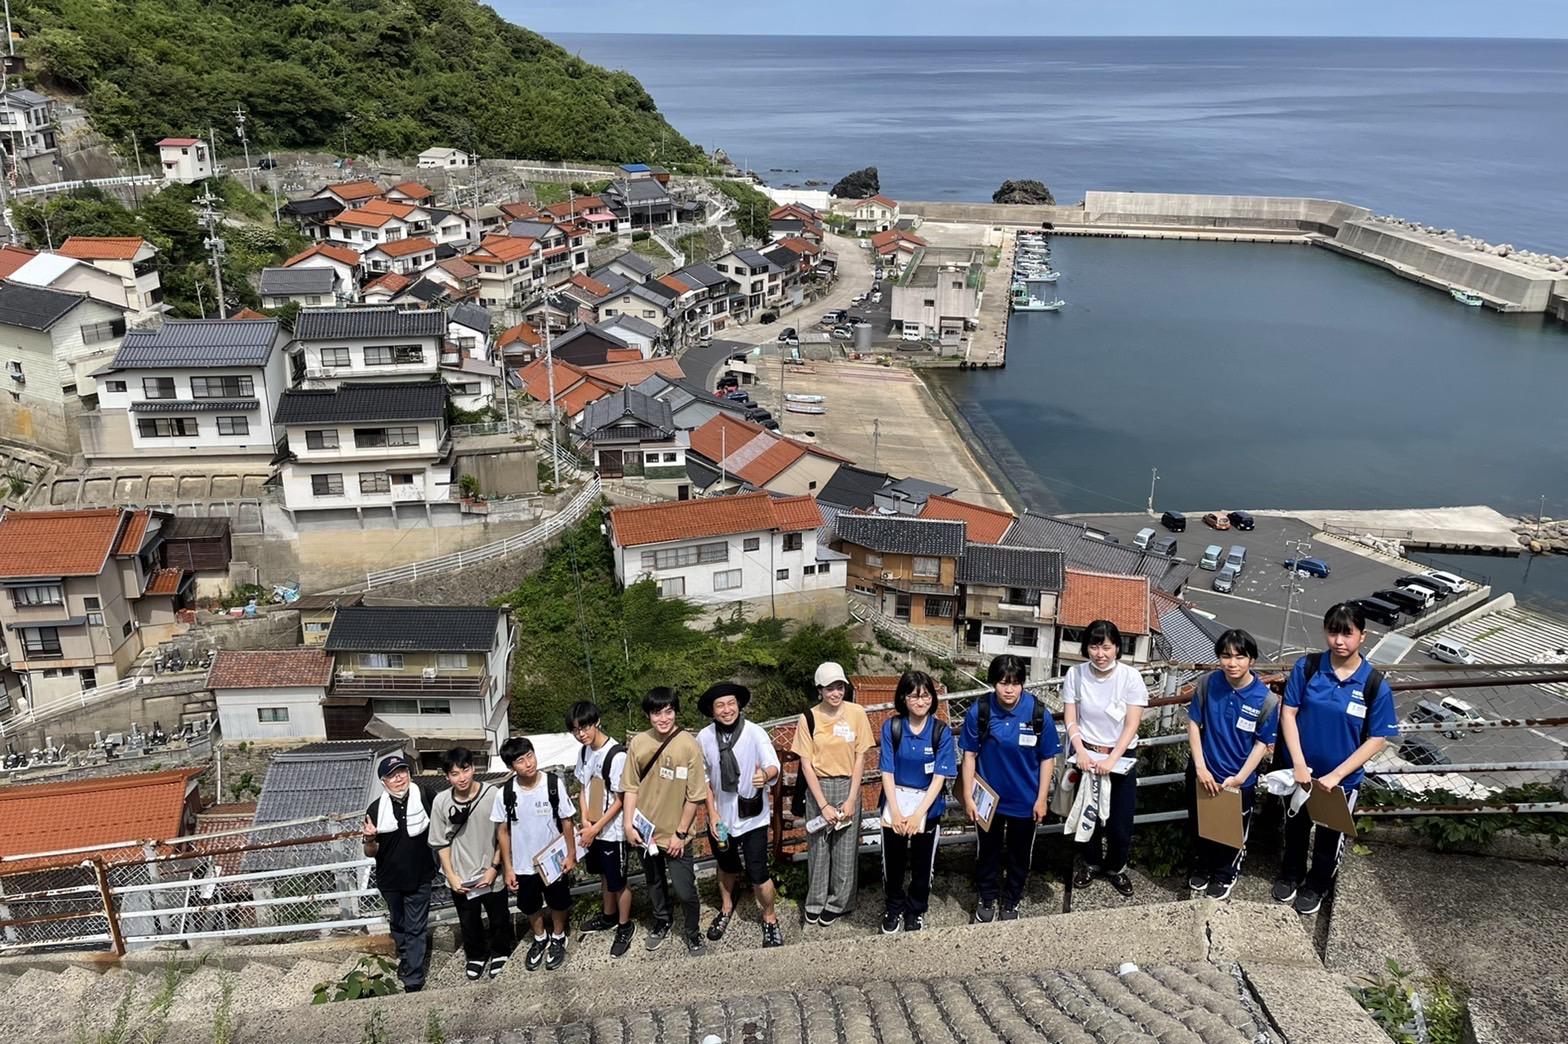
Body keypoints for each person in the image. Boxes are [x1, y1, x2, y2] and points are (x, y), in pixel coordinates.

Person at [1273, 602, 1399, 915]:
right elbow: (1288, 713)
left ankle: (1317, 884)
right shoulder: (1308, 667)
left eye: (1347, 633)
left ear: (1362, 636)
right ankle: (1291, 874)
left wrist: (1337, 776)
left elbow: (1377, 739)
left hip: (1340, 781)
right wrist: (1299, 763)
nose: (1339, 641)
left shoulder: (1374, 685)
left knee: (1330, 835)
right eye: (1333, 632)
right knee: (1296, 826)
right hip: (1301, 772)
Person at [960, 654, 1058, 922]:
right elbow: (969, 755)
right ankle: (987, 896)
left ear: (1023, 684)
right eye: (1003, 683)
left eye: (1015, 683)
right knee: (987, 853)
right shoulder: (979, 711)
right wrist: (968, 796)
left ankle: (1012, 900)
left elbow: (1048, 757)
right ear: (994, 683)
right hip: (988, 800)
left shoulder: (1038, 714)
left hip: (1025, 800)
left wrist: (1041, 799)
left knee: (1020, 855)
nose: (1009, 690)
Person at [1184, 630, 1279, 900]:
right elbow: (1194, 723)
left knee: (1231, 832)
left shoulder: (1266, 699)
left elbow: (1262, 743)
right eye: (1226, 656)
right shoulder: (1207, 684)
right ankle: (1203, 866)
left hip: (1238, 779)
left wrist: (1240, 777)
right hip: (1203, 771)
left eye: (1240, 656)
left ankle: (1226, 873)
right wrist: (1200, 767)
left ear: (1252, 659)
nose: (1232, 663)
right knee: (1200, 823)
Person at [1062, 620, 1149, 896]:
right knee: (1086, 815)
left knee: (1119, 821)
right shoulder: (1075, 675)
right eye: (1094, 646)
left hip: (1120, 758)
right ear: (1086, 647)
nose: (1100, 653)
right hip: (1086, 755)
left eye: (1107, 647)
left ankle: (1116, 867)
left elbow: (1132, 723)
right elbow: (1070, 718)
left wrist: (1112, 759)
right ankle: (1090, 863)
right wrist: (1082, 751)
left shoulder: (1130, 677)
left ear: (1117, 648)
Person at [622, 687, 710, 956]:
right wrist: (628, 824)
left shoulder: (688, 745)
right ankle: (662, 921)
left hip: (675, 833)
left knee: (685, 889)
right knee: (654, 882)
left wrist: (680, 834)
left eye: (668, 711)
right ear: (648, 715)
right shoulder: (638, 743)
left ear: (676, 712)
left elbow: (695, 795)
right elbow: (630, 787)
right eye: (657, 712)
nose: (663, 718)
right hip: (645, 832)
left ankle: (693, 932)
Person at [696, 682, 784, 947]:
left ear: (739, 705)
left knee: (758, 872)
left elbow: (773, 765)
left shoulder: (755, 733)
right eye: (720, 705)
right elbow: (704, 779)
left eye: (731, 703)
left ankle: (770, 917)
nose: (727, 710)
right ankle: (726, 908)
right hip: (721, 818)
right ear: (712, 712)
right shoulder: (704, 737)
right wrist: (712, 815)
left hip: (752, 817)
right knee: (726, 865)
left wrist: (764, 775)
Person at [791, 661, 874, 926]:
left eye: (840, 687)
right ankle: (815, 901)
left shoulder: (856, 713)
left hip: (849, 783)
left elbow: (861, 756)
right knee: (818, 846)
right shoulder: (808, 717)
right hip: (819, 786)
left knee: (846, 848)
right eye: (830, 688)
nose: (836, 693)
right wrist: (823, 804)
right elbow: (805, 763)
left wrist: (851, 799)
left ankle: (840, 902)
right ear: (819, 690)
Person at [878, 670, 956, 933]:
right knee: (894, 861)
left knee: (924, 864)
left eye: (925, 696)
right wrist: (898, 813)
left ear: (933, 698)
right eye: (914, 696)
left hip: (927, 809)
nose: (920, 702)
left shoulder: (940, 731)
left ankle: (916, 908)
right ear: (903, 698)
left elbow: (940, 777)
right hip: (895, 807)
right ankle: (894, 906)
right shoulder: (892, 727)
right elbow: (886, 771)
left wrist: (917, 815)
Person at [490, 736, 577, 972]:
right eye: (520, 760)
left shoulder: (552, 784)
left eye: (530, 755)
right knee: (529, 905)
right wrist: (508, 867)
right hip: (523, 863)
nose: (528, 763)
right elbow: (503, 832)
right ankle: (540, 938)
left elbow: (567, 821)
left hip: (553, 861)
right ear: (511, 767)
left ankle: (558, 937)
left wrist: (571, 854)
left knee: (559, 901)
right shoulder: (505, 793)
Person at [429, 747, 513, 980]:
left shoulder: (492, 794)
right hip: (461, 875)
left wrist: (495, 868)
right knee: (468, 919)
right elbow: (440, 842)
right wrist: (451, 875)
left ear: (473, 768)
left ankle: (500, 951)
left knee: (499, 916)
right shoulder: (441, 801)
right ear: (447, 777)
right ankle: (475, 955)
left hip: (490, 872)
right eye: (455, 774)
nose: (462, 777)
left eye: (465, 770)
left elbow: (503, 834)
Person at [362, 754, 436, 992]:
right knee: (399, 924)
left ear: (409, 773)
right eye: (392, 775)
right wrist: (370, 838)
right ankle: (405, 957)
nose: (399, 778)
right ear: (383, 781)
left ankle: (413, 978)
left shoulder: (425, 796)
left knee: (415, 927)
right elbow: (370, 852)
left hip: (420, 874)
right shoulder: (375, 808)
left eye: (402, 772)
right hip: (390, 879)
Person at [567, 701, 635, 959]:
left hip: (612, 831)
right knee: (604, 876)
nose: (581, 734)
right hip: (592, 828)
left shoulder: (616, 755)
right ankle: (608, 916)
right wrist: (585, 821)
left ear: (596, 722)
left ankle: (625, 925)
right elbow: (582, 788)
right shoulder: (584, 752)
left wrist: (594, 828)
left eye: (584, 727)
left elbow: (620, 799)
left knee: (618, 881)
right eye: (575, 730)